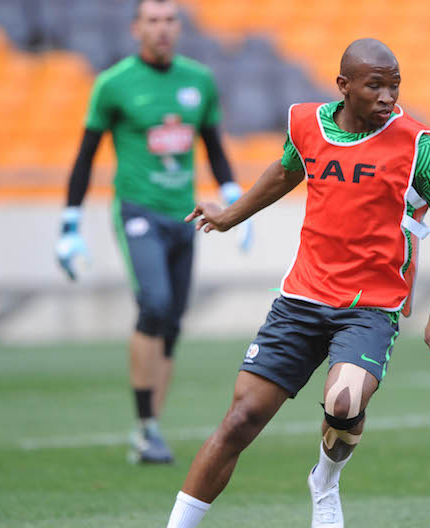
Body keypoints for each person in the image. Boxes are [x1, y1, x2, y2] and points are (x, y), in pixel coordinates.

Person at [114, 37, 430, 528]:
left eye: (394, 83)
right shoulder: (305, 124)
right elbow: (286, 172)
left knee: (345, 403)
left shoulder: (419, 145)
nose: (387, 95)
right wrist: (231, 215)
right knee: (240, 419)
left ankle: (325, 477)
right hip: (301, 297)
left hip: (370, 304)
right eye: (375, 84)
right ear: (343, 86)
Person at [55, 0, 250, 464]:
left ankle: (151, 432)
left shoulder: (198, 80)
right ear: (136, 28)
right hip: (138, 209)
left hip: (183, 215)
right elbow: (84, 157)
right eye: (153, 21)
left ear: (178, 27)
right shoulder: (114, 84)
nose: (162, 29)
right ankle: (144, 424)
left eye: (169, 20)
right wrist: (69, 225)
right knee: (155, 305)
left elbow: (213, 145)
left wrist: (237, 200)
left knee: (173, 323)